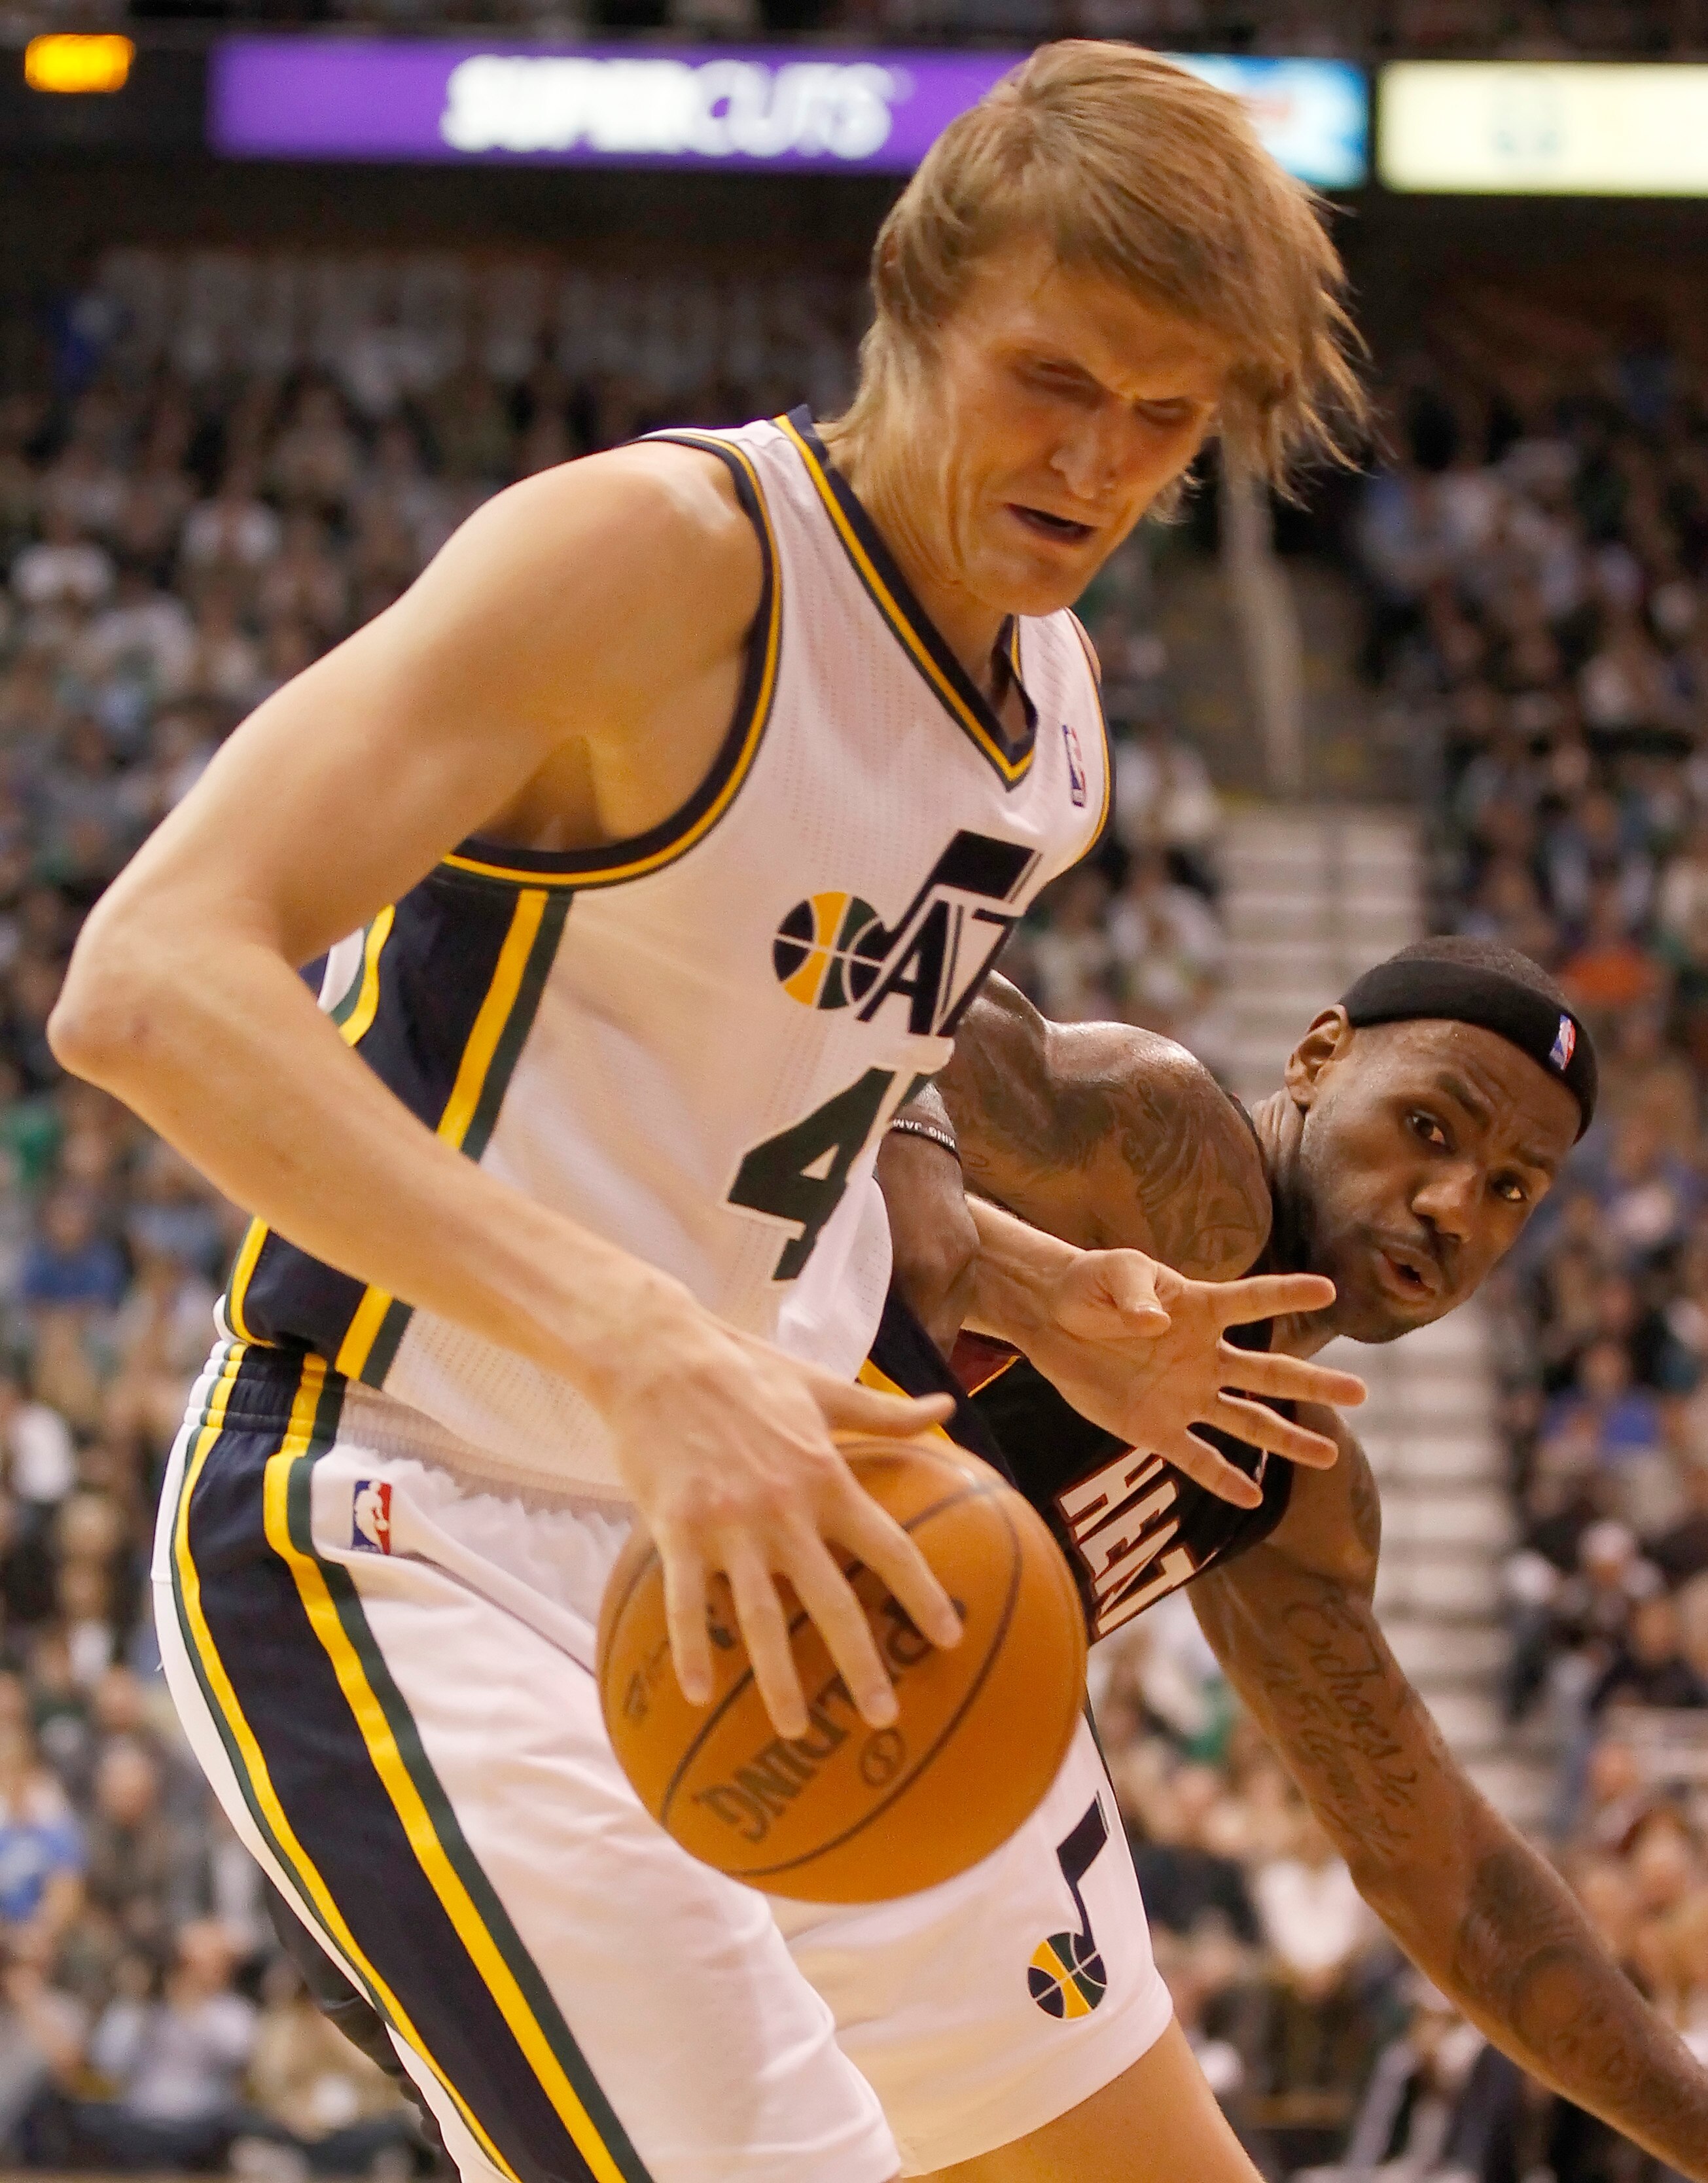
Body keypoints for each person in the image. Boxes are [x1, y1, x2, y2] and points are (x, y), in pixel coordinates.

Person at [46, 44, 1368, 2183]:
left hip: (784, 1536)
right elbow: (148, 981)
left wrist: (1023, 1273)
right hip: (405, 1516)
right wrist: (641, 1337)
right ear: (918, 307)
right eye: (1054, 377)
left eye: (1168, 414)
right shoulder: (670, 560)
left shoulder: (1055, 716)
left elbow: (825, 1067)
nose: (1102, 459)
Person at [880, 933, 1708, 2176]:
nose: (1453, 1208)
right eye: (1430, 1128)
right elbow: (884, 981)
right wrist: (927, 1179)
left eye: (1509, 1191)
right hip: (624, 1628)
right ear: (1317, 1056)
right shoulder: (1152, 1143)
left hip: (877, 1814)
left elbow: (1446, 1880)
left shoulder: (1295, 1479)